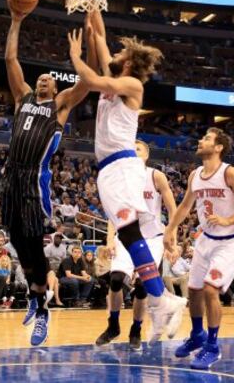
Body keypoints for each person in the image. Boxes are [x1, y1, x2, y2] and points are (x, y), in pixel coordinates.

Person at [69, 15, 186, 345]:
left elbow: (93, 80)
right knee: (128, 232)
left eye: (122, 52)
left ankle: (162, 300)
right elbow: (100, 34)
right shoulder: (116, 74)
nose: (115, 52)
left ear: (131, 61)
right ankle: (162, 300)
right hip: (108, 169)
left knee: (131, 231)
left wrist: (77, 57)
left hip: (121, 165)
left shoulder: (132, 85)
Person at [0, 8, 96, 346]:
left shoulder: (60, 105)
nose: (43, 80)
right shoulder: (22, 98)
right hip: (9, 180)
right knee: (18, 244)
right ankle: (33, 296)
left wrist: (77, 56)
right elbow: (11, 59)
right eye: (39, 78)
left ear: (55, 85)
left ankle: (42, 311)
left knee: (34, 247)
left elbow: (88, 81)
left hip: (33, 183)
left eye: (48, 79)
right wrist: (15, 20)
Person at [165, 127, 234, 370]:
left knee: (209, 289)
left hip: (230, 240)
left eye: (206, 138)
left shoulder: (230, 173)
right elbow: (185, 206)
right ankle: (197, 335)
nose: (200, 140)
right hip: (206, 239)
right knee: (194, 291)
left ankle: (213, 347)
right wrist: (170, 229)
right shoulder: (195, 175)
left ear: (218, 147)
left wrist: (229, 220)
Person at [95, 139, 185, 350]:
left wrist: (174, 240)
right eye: (131, 149)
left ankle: (136, 328)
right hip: (127, 235)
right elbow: (113, 212)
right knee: (116, 280)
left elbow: (174, 210)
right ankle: (113, 325)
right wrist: (110, 240)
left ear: (146, 155)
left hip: (153, 238)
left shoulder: (155, 176)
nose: (133, 152)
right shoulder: (121, 179)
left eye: (138, 149)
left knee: (142, 286)